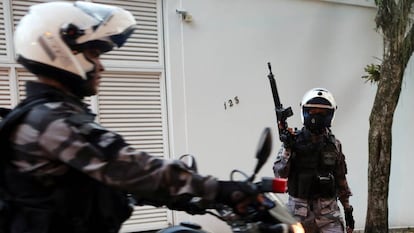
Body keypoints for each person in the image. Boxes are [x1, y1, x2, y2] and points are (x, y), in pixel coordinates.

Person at [3, 2, 256, 233]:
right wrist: (221, 190)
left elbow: (109, 182)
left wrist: (185, 198)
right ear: (60, 50)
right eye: (94, 53)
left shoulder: (51, 113)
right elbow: (127, 167)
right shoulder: (52, 120)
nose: (101, 66)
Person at [273, 88, 355, 233]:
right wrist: (288, 148)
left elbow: (341, 180)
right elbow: (280, 174)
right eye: (312, 112)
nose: (316, 117)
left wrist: (348, 210)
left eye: (322, 113)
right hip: (297, 216)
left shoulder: (334, 144)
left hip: (328, 216)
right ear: (304, 112)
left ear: (330, 115)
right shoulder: (292, 141)